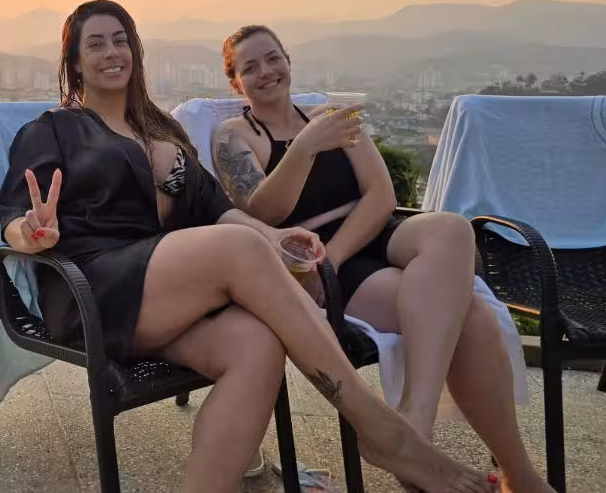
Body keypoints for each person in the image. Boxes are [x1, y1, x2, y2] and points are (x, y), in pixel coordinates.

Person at [0, 0, 494, 493]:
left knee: (257, 345)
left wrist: (272, 236)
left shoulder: (162, 130)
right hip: (95, 287)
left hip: (165, 295)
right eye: (95, 44)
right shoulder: (54, 130)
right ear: (75, 62)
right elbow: (16, 214)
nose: (111, 52)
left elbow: (216, 209)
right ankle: (382, 431)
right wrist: (30, 232)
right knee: (238, 246)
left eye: (120, 40)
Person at [210, 24, 552, 493]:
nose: (266, 71)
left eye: (273, 58)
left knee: (453, 227)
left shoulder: (331, 117)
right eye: (250, 67)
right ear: (236, 83)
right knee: (471, 316)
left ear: (288, 59)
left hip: (364, 236)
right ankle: (520, 475)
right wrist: (306, 147)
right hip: (311, 251)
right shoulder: (233, 136)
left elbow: (381, 196)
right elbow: (265, 211)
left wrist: (335, 257)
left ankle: (415, 421)